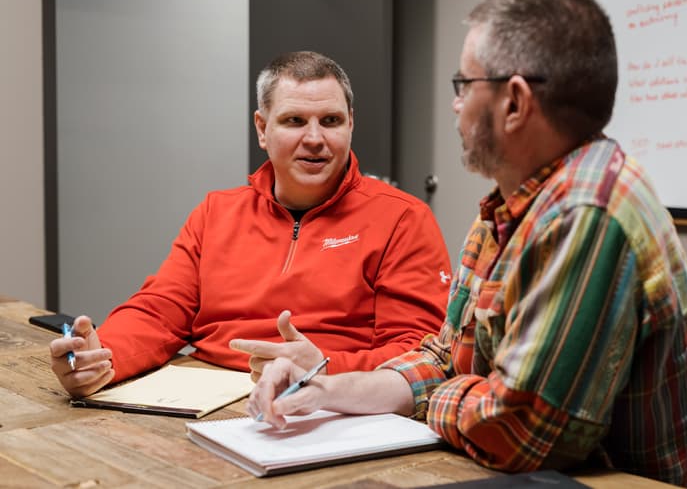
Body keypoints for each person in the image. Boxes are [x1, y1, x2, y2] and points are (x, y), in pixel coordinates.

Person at [246, 0, 687, 488]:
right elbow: (447, 354)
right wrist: (329, 388)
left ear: (513, 102)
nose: (456, 107)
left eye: (464, 85)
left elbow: (520, 431)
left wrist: (442, 393)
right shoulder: (510, 202)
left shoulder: (588, 212)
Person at [49, 51, 451, 398]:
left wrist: (326, 368)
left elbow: (419, 352)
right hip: (201, 398)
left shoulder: (402, 219)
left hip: (329, 405)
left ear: (351, 124)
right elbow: (160, 313)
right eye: (294, 121)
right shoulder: (216, 213)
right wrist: (102, 357)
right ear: (262, 129)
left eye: (330, 120)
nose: (315, 138)